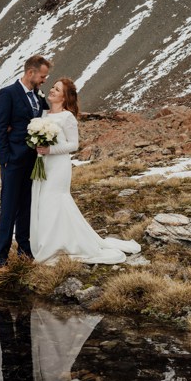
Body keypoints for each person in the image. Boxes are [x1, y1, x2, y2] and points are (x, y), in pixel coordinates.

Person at [31, 78, 141, 264]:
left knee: (54, 200)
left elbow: (74, 145)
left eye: (56, 89)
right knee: (43, 202)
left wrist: (50, 150)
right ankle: (48, 242)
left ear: (65, 97)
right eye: (52, 87)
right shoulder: (43, 114)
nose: (51, 90)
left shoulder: (67, 117)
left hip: (58, 166)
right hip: (43, 164)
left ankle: (63, 244)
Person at [0, 54, 51, 266]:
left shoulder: (38, 95)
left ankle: (24, 250)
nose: (44, 80)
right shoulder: (7, 94)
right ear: (30, 73)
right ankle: (1, 257)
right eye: (42, 76)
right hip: (13, 160)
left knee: (26, 206)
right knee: (9, 208)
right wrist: (5, 157)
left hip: (33, 161)